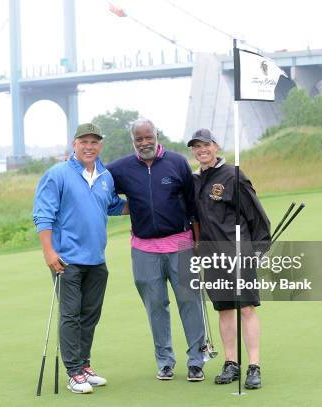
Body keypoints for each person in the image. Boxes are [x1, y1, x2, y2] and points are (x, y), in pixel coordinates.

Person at [107, 118, 206, 382]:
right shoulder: (121, 169)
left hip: (181, 243)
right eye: (138, 139)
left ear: (156, 135)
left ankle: (197, 360)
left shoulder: (177, 162)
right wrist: (122, 208)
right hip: (144, 249)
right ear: (133, 141)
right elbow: (98, 188)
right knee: (156, 306)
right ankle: (165, 361)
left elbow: (192, 204)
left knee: (190, 301)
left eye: (148, 137)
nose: (144, 143)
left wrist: (197, 242)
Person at [33, 123, 128, 394]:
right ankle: (74, 372)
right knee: (71, 315)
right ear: (74, 144)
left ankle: (84, 365)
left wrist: (153, 203)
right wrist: (49, 252)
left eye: (94, 142)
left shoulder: (105, 176)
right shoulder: (58, 174)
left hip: (96, 259)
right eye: (84, 141)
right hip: (67, 259)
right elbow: (43, 214)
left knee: (89, 315)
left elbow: (113, 205)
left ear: (100, 146)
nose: (89, 146)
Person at [188, 128, 271, 390]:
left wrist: (256, 250)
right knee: (224, 310)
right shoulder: (195, 181)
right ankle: (231, 363)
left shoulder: (233, 176)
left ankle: (254, 366)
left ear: (216, 145)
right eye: (197, 146)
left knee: (246, 308)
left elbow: (256, 216)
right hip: (212, 256)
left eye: (206, 145)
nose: (202, 150)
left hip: (237, 253)